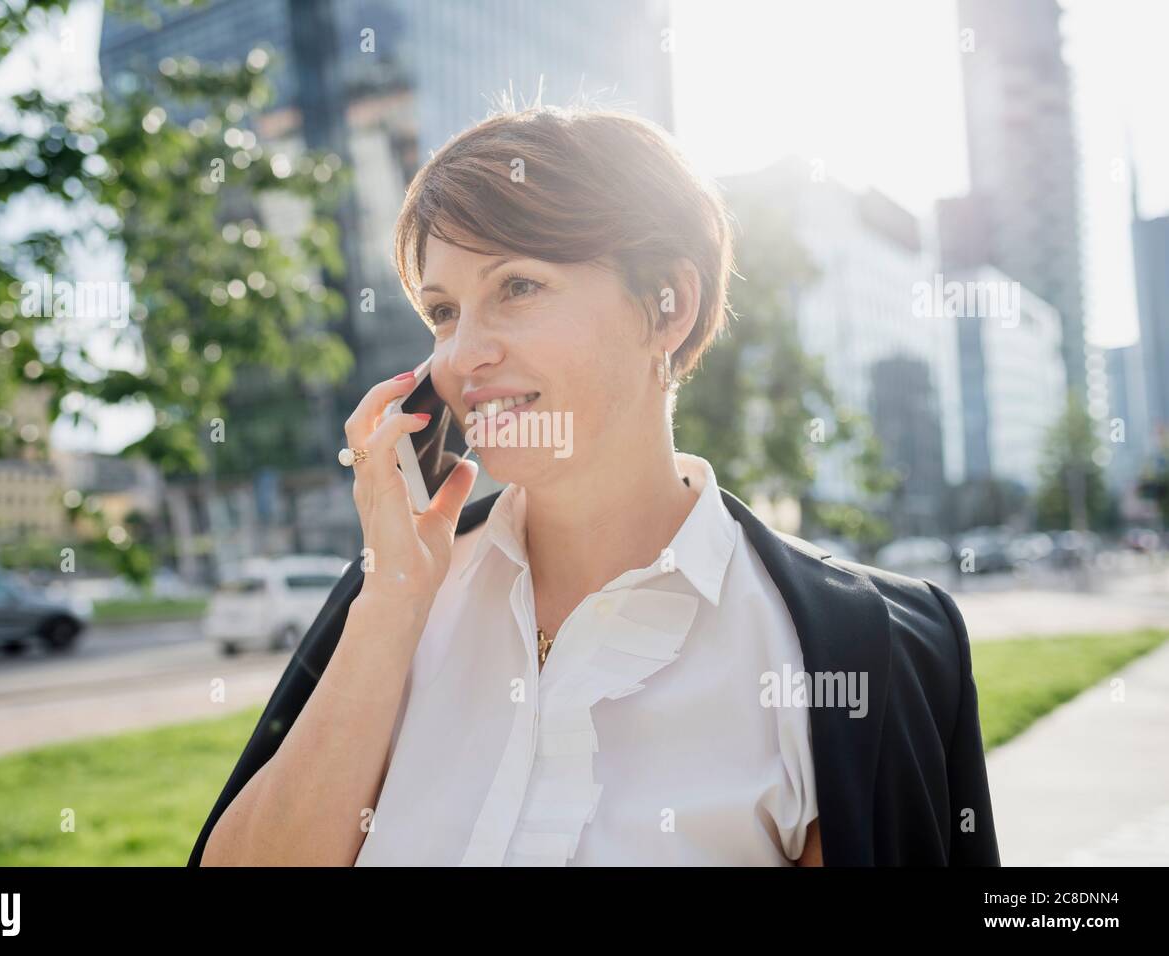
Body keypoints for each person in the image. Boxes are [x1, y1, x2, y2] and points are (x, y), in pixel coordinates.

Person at [192, 104, 999, 867]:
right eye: (443, 312)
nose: (461, 356)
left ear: (667, 308)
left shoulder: (852, 652)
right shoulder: (393, 596)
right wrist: (392, 602)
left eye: (517, 287)